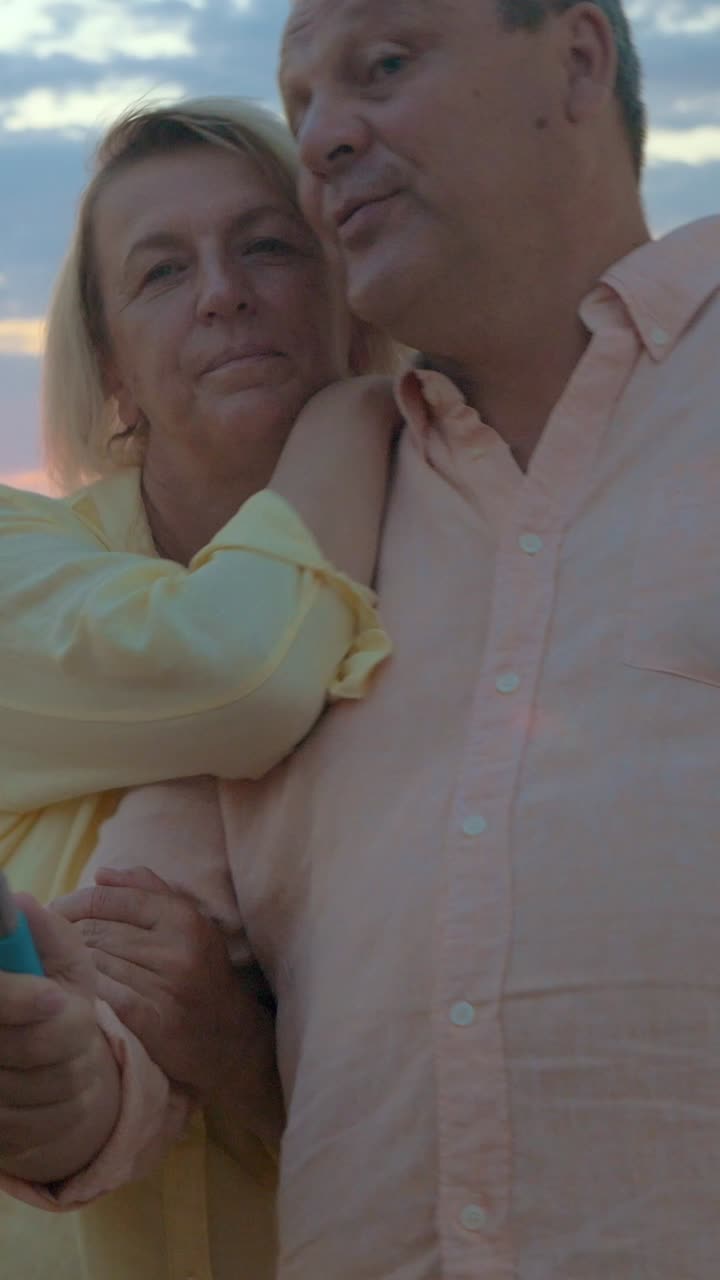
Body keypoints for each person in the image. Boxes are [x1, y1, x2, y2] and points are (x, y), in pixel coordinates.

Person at [5, 1, 720, 1277]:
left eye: (382, 66)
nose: (328, 136)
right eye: (302, 110)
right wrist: (70, 1080)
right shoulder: (300, 573)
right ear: (111, 369)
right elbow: (122, 1025)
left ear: (575, 58)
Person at [0, 95, 399, 1280]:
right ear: (112, 362)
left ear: (347, 291)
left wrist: (243, 1052)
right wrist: (352, 412)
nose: (223, 291)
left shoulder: (474, 597)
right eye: (162, 271)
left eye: (268, 244)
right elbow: (239, 671)